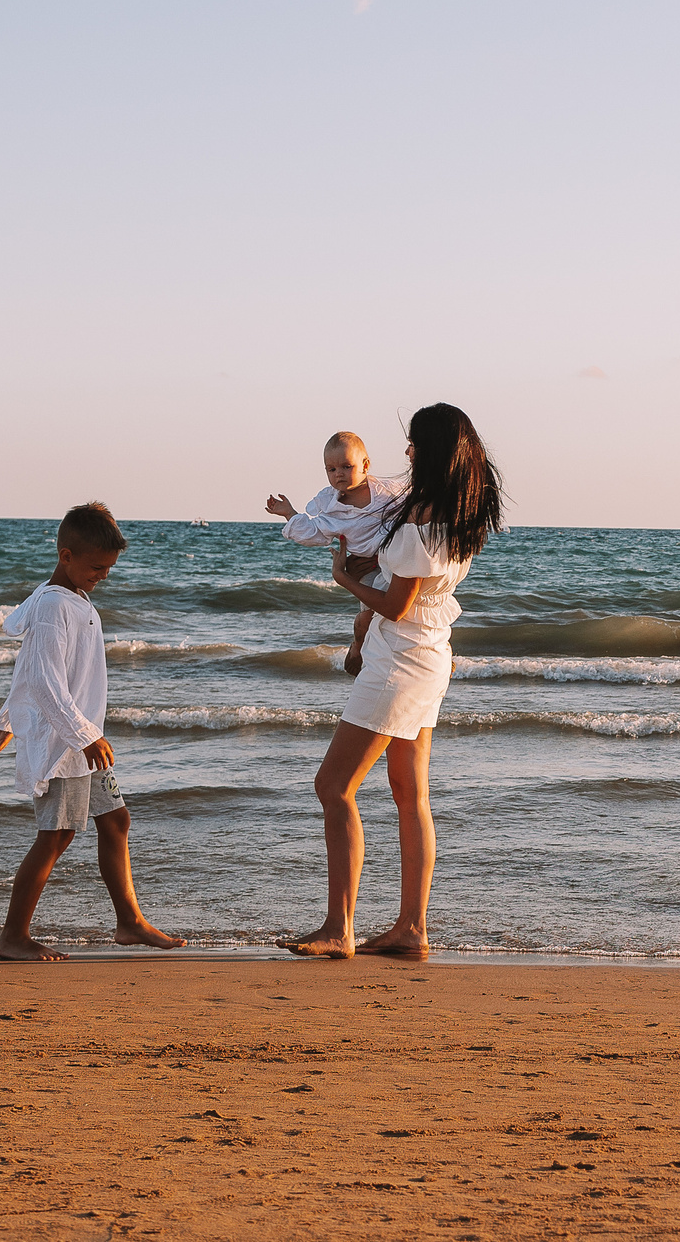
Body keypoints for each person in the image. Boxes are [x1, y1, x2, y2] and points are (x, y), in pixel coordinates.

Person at [282, 403, 502, 959]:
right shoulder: (456, 513)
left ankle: (339, 928)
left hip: (399, 661)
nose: (407, 450)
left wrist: (343, 578)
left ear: (434, 450)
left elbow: (397, 605)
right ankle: (411, 928)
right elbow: (416, 584)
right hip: (430, 654)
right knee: (409, 793)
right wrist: (371, 571)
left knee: (333, 786)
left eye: (414, 442)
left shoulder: (420, 517)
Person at [0, 501, 184, 962]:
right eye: (96, 567)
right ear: (66, 556)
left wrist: (6, 722)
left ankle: (129, 922)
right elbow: (42, 678)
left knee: (116, 821)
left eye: (109, 568)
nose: (103, 576)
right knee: (57, 835)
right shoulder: (52, 606)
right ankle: (13, 935)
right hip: (65, 743)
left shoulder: (74, 598)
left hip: (83, 740)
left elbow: (31, 670)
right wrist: (81, 734)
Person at [265, 430, 402, 676]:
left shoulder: (386, 492)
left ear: (365, 465)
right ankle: (358, 645)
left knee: (413, 610)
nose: (338, 473)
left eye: (346, 466)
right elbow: (314, 532)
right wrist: (289, 514)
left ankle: (434, 651)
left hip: (395, 561)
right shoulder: (331, 506)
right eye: (331, 469)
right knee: (369, 617)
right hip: (368, 571)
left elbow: (416, 505)